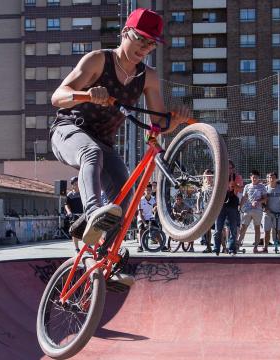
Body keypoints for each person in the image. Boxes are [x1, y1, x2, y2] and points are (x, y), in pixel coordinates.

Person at [49, 8, 190, 249]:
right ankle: (92, 211)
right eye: (140, 39)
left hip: (104, 143)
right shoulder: (98, 60)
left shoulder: (149, 77)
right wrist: (87, 95)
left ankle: (106, 259)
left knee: (124, 197)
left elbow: (155, 125)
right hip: (69, 130)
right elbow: (57, 97)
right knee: (90, 153)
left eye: (151, 44)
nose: (144, 48)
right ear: (125, 32)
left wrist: (172, 123)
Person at [213, 160, 241, 255]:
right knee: (218, 228)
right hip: (221, 204)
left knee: (232, 228)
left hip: (232, 204)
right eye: (226, 168)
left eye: (230, 168)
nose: (228, 170)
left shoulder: (236, 177)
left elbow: (240, 189)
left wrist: (234, 186)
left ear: (233, 169)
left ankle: (231, 248)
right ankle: (216, 248)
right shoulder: (220, 177)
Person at [238, 170, 267, 253]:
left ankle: (256, 247)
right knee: (243, 227)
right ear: (250, 177)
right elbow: (244, 197)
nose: (254, 179)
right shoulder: (247, 186)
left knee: (257, 228)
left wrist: (258, 202)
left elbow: (265, 198)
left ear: (259, 178)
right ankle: (238, 244)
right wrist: (240, 206)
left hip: (258, 210)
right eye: (253, 177)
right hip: (247, 210)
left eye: (256, 177)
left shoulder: (262, 187)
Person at [263, 172, 280, 254]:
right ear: (267, 179)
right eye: (270, 177)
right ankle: (265, 248)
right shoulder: (265, 188)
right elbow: (263, 200)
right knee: (267, 231)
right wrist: (265, 208)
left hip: (279, 213)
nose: (271, 179)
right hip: (268, 213)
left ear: (276, 179)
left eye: (273, 177)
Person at [64, 176, 84, 253]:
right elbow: (66, 205)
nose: (77, 185)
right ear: (72, 185)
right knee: (74, 232)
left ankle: (87, 246)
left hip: (83, 215)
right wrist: (69, 212)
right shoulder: (69, 195)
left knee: (86, 231)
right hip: (74, 216)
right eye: (75, 184)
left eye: (78, 184)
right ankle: (76, 248)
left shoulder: (83, 193)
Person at [196, 169, 214, 253]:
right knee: (207, 228)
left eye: (210, 174)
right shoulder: (203, 186)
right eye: (207, 174)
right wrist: (198, 208)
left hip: (214, 208)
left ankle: (223, 246)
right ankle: (208, 246)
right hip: (205, 209)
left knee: (219, 228)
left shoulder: (215, 185)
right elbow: (199, 198)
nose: (208, 176)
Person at [136, 184, 157, 252]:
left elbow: (155, 207)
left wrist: (155, 208)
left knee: (157, 229)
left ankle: (162, 246)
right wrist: (145, 223)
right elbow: (140, 214)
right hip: (142, 218)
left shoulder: (153, 199)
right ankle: (140, 246)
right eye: (147, 190)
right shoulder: (141, 200)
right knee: (141, 230)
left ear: (151, 191)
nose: (148, 191)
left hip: (150, 217)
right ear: (144, 191)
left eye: (149, 190)